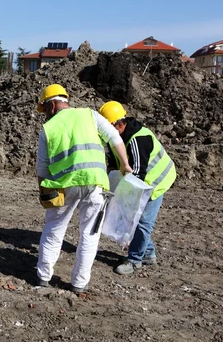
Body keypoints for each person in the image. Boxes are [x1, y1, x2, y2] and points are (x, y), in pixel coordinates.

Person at [35, 84, 132, 293]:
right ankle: (79, 283)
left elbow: (42, 167)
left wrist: (43, 191)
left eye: (45, 111)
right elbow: (114, 138)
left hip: (64, 185)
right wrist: (124, 164)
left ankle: (43, 276)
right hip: (96, 183)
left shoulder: (48, 129)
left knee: (54, 229)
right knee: (89, 234)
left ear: (52, 105)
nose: (45, 116)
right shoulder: (90, 115)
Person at [98, 101, 177, 275]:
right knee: (134, 218)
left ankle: (135, 260)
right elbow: (114, 163)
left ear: (119, 125)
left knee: (142, 221)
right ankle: (148, 253)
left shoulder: (138, 140)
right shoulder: (115, 137)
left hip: (156, 181)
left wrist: (125, 198)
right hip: (141, 179)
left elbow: (138, 176)